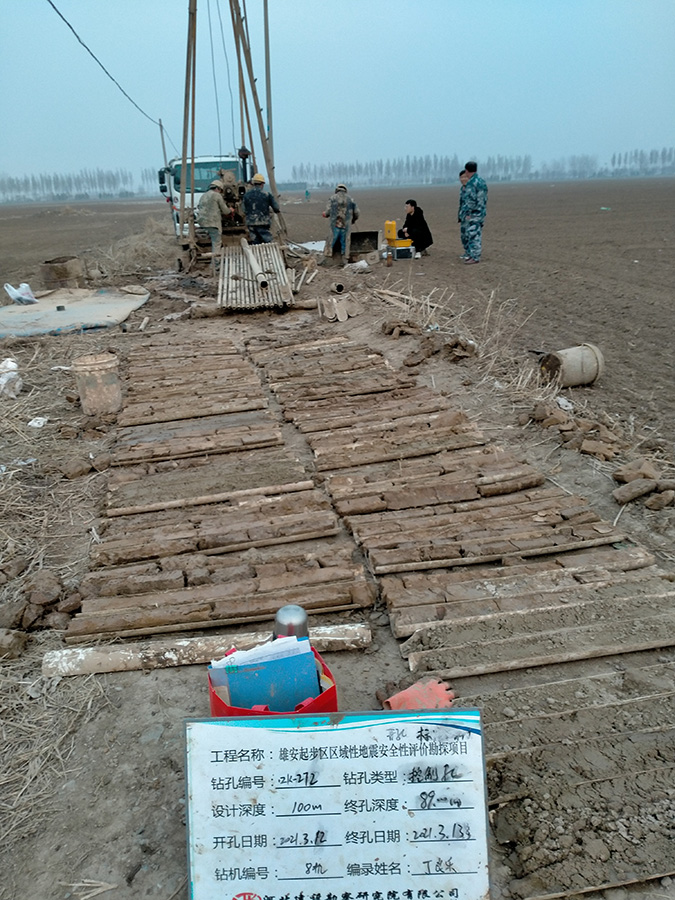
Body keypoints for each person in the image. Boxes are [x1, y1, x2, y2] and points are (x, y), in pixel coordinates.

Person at [458, 161, 488, 264]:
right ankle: (471, 254)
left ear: (466, 170)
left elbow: (470, 200)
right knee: (472, 234)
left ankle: (474, 257)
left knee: (473, 235)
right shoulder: (481, 181)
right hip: (480, 212)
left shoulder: (471, 183)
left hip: (473, 214)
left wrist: (467, 213)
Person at [322, 183, 360, 261]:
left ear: (337, 190)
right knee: (345, 242)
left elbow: (328, 211)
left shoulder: (332, 198)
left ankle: (328, 258)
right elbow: (357, 213)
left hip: (335, 224)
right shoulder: (350, 199)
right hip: (346, 225)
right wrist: (353, 220)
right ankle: (345, 258)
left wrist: (325, 214)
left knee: (331, 240)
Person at [196, 180, 230, 262]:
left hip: (202, 222)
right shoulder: (217, 195)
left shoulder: (204, 195)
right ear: (218, 188)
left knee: (212, 236)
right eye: (221, 190)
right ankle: (216, 262)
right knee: (216, 242)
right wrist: (230, 210)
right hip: (213, 223)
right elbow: (226, 211)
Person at [242, 173, 280, 244]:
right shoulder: (267, 195)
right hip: (263, 222)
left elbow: (243, 210)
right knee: (269, 243)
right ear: (262, 184)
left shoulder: (246, 195)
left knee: (255, 243)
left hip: (251, 223)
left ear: (253, 184)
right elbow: (276, 208)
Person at [457, 169, 470, 259]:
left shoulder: (472, 188)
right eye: (461, 177)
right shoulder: (462, 189)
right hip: (463, 216)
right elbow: (461, 203)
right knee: (464, 236)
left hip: (471, 217)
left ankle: (472, 254)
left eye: (465, 177)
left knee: (470, 235)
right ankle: (467, 252)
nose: (463, 179)